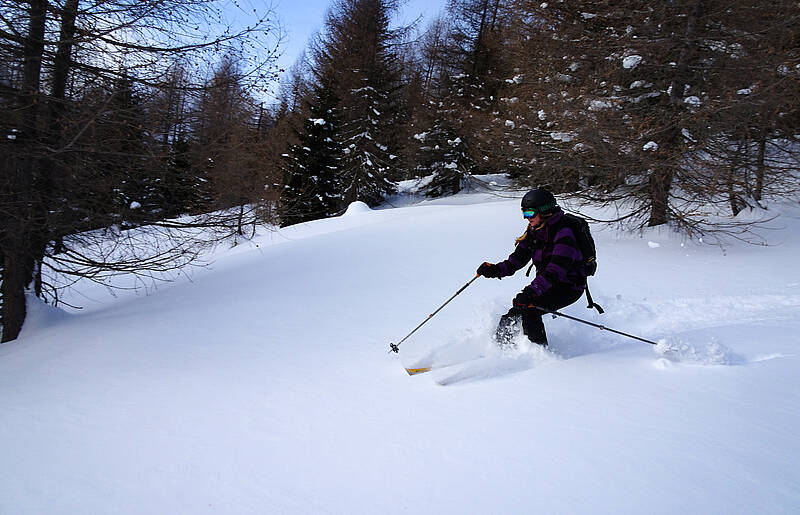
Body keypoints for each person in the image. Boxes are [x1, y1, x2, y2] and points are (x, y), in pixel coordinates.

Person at [477, 189, 586, 347]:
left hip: (569, 287)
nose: (526, 218)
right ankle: (500, 349)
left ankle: (539, 353)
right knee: (511, 316)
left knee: (530, 310)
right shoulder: (535, 232)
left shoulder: (564, 235)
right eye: (524, 213)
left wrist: (531, 292)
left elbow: (555, 271)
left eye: (530, 213)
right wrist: (494, 270)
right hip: (547, 284)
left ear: (545, 212)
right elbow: (516, 260)